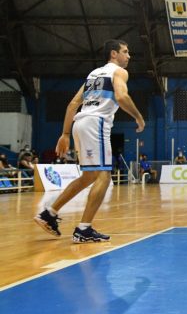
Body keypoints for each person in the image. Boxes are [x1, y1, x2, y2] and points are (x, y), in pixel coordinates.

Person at [34, 39, 145, 243]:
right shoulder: (119, 72)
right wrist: (138, 117)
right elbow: (122, 97)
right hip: (96, 123)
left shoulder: (93, 75)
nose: (129, 56)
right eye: (125, 51)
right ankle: (83, 229)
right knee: (104, 176)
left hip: (80, 123)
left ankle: (49, 213)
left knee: (88, 176)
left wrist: (65, 134)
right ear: (113, 54)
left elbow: (73, 104)